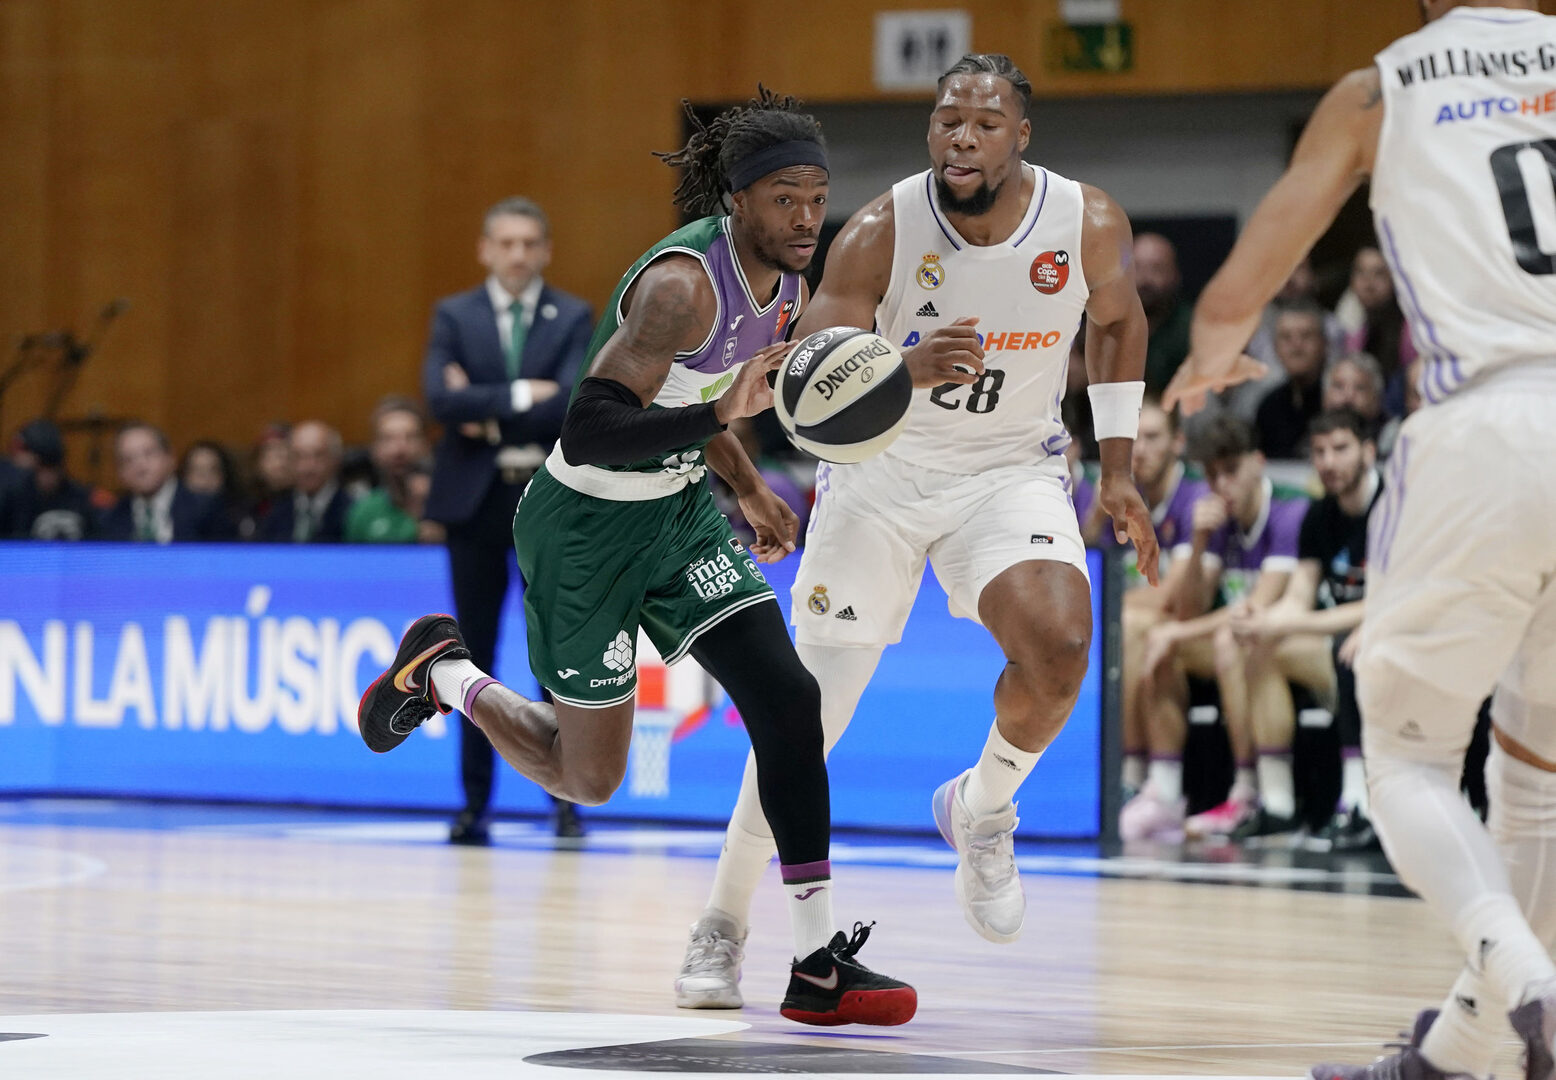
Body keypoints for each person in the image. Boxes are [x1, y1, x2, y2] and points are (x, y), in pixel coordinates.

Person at [359, 87, 917, 1027]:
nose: (806, 218)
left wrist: (743, 483)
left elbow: (694, 398)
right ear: (737, 200)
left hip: (679, 516)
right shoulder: (681, 287)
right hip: (583, 527)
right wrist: (724, 417)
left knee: (789, 699)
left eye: (818, 198)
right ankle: (446, 673)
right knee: (589, 779)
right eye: (785, 198)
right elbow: (592, 425)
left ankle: (816, 961)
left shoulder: (786, 285)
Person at [674, 55, 1158, 1008]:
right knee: (804, 722)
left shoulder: (1087, 220)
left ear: (1022, 136)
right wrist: (906, 368)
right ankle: (722, 923)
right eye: (946, 121)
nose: (961, 138)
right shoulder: (880, 233)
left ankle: (982, 808)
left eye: (984, 123)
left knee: (1062, 648)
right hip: (880, 481)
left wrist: (1119, 470)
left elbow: (1118, 322)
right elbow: (806, 399)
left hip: (1008, 472)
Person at [1163, 3, 1556, 1077]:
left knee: (1406, 758)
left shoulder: (1382, 87)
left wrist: (1208, 358)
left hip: (1484, 425)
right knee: (1535, 773)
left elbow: (1236, 293)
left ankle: (1527, 981)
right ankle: (1464, 1051)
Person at [422, 197, 593, 843]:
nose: (517, 254)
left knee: (555, 651)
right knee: (471, 653)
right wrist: (525, 395)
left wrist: (485, 410)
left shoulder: (573, 314)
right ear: (485, 249)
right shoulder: (454, 313)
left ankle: (566, 799)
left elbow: (574, 402)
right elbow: (440, 400)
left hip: (546, 500)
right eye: (506, 242)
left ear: (545, 250)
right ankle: (473, 805)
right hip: (474, 503)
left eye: (528, 243)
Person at [1120, 415, 1307, 842]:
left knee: (1226, 640)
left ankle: (1247, 792)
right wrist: (1201, 541)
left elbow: (1256, 608)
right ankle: (1162, 791)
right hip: (1240, 639)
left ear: (1258, 463)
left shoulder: (1288, 510)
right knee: (1156, 640)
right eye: (1213, 475)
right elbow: (1190, 609)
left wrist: (1176, 633)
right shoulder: (1219, 519)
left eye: (1232, 471)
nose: (1222, 485)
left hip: (1298, 640)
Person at [1222, 408, 1381, 842]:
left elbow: (1389, 602)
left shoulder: (1392, 507)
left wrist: (1304, 623)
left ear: (1369, 451)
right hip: (1339, 639)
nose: (1329, 462)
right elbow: (1299, 597)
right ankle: (1277, 804)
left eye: (1341, 449)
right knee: (1260, 645)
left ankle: (1359, 803)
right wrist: (1261, 620)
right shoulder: (1318, 516)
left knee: (1355, 648)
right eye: (1320, 452)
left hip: (1394, 637)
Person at [1115, 397, 1210, 799]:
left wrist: (1107, 610)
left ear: (1178, 443)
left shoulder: (1195, 498)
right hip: (1143, 623)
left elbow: (1171, 600)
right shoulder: (1122, 497)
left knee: (1134, 627)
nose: (1140, 450)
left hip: (1199, 627)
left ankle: (1133, 773)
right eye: (1133, 439)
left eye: (1153, 438)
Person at [101, 423, 233, 542]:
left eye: (149, 454)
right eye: (128, 459)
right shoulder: (112, 517)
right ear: (120, 473)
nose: (140, 467)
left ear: (170, 458)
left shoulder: (206, 509)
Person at [345, 396, 438, 544]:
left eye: (411, 437)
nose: (399, 449)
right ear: (374, 450)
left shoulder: (452, 505)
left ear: (426, 446)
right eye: (388, 439)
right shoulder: (363, 512)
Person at [1253, 302, 1330, 459]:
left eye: (1306, 335)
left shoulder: (1339, 398)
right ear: (1275, 347)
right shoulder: (1269, 407)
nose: (1296, 346)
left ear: (1324, 343)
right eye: (1286, 337)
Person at [255, 421, 352, 543]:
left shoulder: (352, 511)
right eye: (299, 456)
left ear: (335, 459)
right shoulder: (276, 513)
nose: (308, 466)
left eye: (318, 455)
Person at [2, 419, 99, 540]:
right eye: (40, 470)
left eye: (51, 467)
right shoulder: (12, 497)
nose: (47, 477)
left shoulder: (84, 499)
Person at [1136, 233, 1192, 395]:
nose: (1145, 279)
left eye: (1157, 269)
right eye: (1136, 268)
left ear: (1175, 275)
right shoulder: (1104, 324)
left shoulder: (1192, 328)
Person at [180, 440, 248, 538]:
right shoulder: (170, 516)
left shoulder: (240, 517)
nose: (205, 479)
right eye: (197, 471)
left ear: (225, 475)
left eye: (213, 470)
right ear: (184, 476)